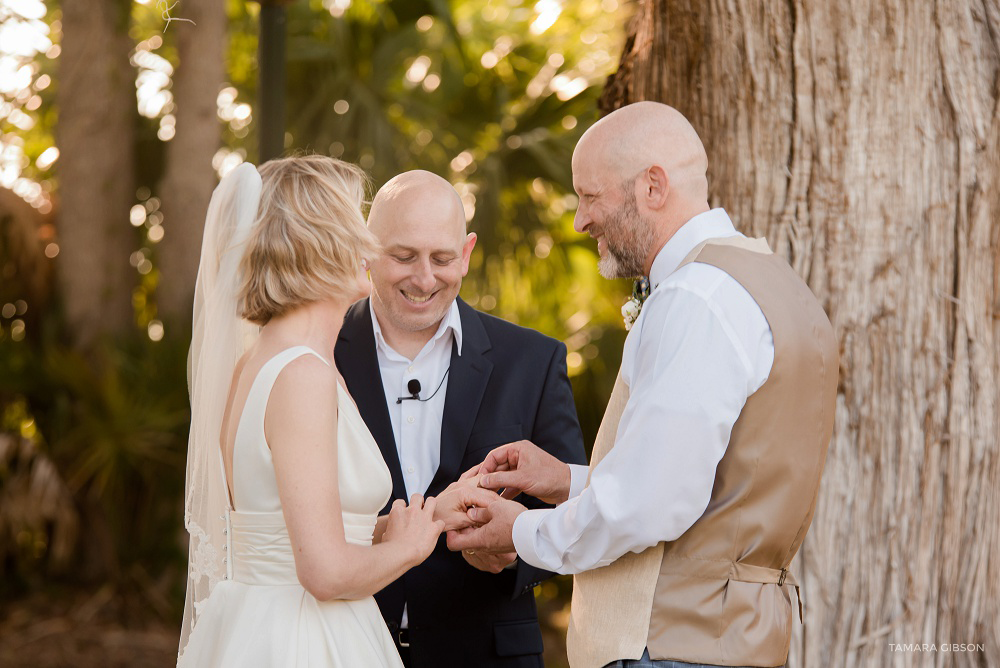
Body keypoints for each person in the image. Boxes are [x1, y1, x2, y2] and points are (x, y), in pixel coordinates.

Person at [449, 101, 840, 668]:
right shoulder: (769, 283)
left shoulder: (694, 298)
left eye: (590, 195)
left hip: (672, 647)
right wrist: (563, 480)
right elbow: (707, 483)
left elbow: (649, 502)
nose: (581, 220)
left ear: (653, 187)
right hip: (733, 639)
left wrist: (524, 531)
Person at [177, 156, 494, 667]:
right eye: (355, 225)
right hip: (302, 640)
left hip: (259, 626)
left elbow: (290, 530)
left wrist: (427, 517)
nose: (368, 245)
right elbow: (322, 572)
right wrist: (409, 551)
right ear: (320, 241)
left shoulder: (261, 362)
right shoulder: (303, 374)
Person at [334, 170, 587, 667]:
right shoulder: (320, 354)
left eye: (443, 258)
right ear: (366, 250)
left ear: (467, 253)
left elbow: (574, 504)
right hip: (345, 645)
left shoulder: (532, 360)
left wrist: (515, 553)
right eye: (404, 256)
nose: (424, 278)